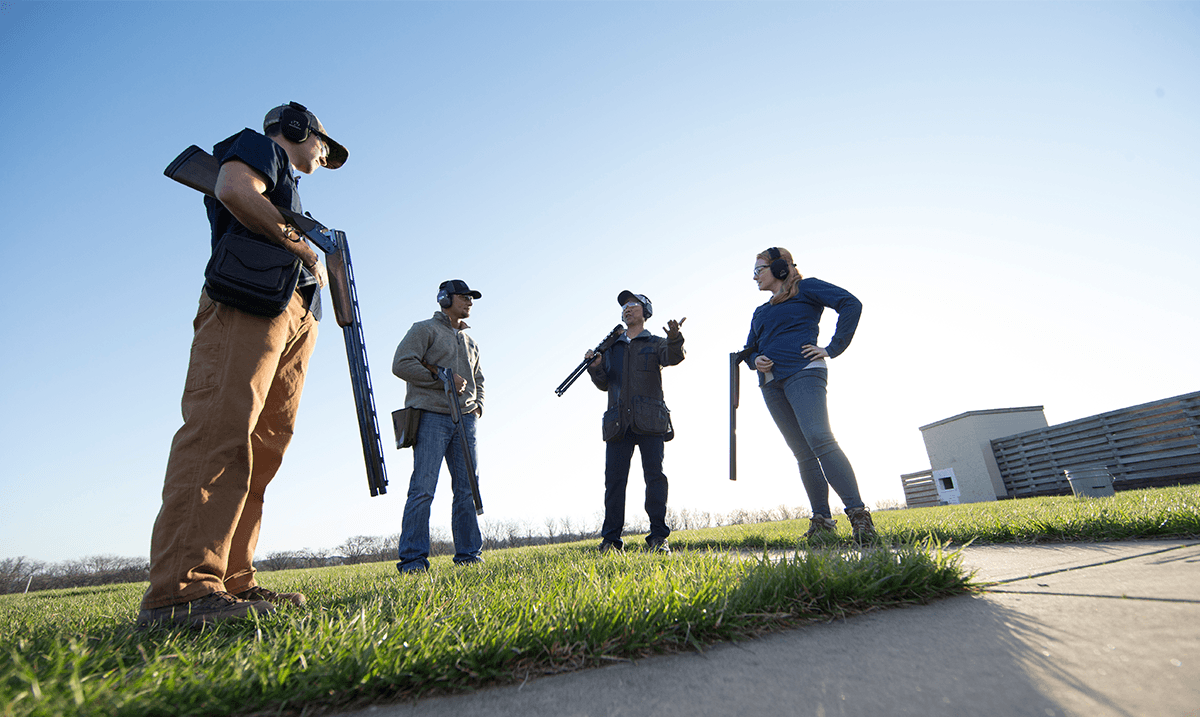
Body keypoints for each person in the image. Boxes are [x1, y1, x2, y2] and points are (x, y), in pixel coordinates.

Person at [139, 102, 349, 627]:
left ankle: (232, 580)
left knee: (264, 446)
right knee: (220, 432)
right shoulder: (261, 150)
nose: (322, 155)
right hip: (251, 300)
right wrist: (298, 245)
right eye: (321, 142)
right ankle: (181, 590)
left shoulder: (291, 191)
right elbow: (233, 188)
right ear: (297, 128)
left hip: (292, 311)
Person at [740, 247, 876, 543]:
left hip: (804, 372)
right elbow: (750, 348)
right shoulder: (761, 311)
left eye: (758, 270)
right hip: (771, 382)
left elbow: (850, 303)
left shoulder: (806, 288)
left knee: (819, 438)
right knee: (801, 451)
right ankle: (822, 522)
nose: (754, 278)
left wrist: (832, 347)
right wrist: (755, 361)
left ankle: (859, 515)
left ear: (779, 268)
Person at [391, 280, 486, 573]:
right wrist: (440, 379)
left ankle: (469, 556)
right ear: (445, 299)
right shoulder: (424, 329)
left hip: (466, 419)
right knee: (423, 488)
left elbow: (479, 379)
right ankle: (413, 561)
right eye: (464, 296)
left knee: (468, 489)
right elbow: (401, 364)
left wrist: (478, 406)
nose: (470, 301)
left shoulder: (471, 342)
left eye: (472, 298)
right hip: (431, 415)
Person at [587, 291, 686, 554]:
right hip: (618, 423)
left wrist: (675, 338)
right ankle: (610, 541)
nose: (627, 309)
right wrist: (595, 367)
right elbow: (604, 383)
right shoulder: (611, 347)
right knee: (614, 482)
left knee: (655, 478)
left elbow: (674, 356)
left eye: (633, 305)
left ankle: (658, 538)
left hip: (651, 421)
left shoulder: (655, 343)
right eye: (625, 306)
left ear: (646, 312)